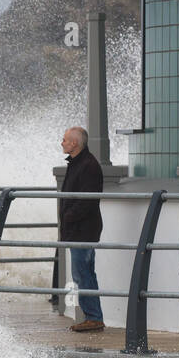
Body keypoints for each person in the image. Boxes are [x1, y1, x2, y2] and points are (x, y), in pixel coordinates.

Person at [59, 126, 105, 332]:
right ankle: (93, 317)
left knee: (83, 273)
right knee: (85, 273)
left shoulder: (88, 165)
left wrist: (68, 217)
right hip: (78, 228)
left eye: (65, 140)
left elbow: (88, 201)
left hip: (82, 229)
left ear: (75, 143)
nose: (62, 143)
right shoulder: (78, 163)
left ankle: (94, 318)